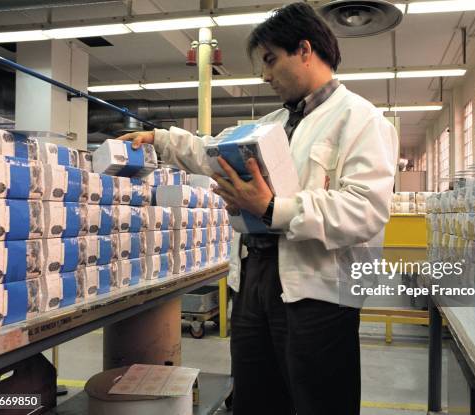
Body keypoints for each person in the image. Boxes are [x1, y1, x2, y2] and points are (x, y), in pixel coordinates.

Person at [117, 3, 398, 414]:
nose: (265, 75)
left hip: (319, 292)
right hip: (255, 279)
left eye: (270, 60)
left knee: (318, 401)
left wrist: (271, 208)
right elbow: (210, 150)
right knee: (255, 397)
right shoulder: (274, 123)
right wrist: (160, 139)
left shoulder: (360, 120)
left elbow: (365, 209)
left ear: (304, 50)